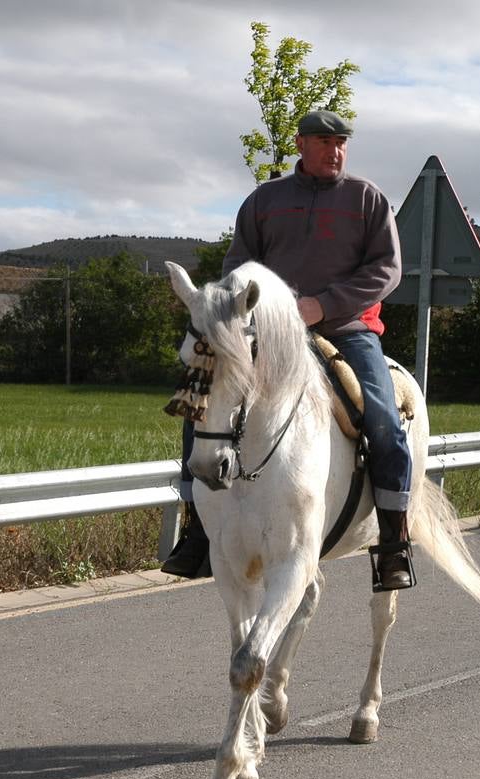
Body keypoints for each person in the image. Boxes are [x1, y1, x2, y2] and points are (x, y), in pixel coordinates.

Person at [162, 109, 416, 592]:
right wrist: (255, 313)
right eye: (323, 142)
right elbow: (238, 264)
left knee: (383, 419)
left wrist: (322, 306)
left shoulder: (367, 199)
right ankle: (198, 528)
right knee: (200, 403)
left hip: (347, 329)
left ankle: (392, 543)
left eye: (341, 142)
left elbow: (387, 270)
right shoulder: (265, 200)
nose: (334, 150)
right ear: (300, 144)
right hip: (269, 334)